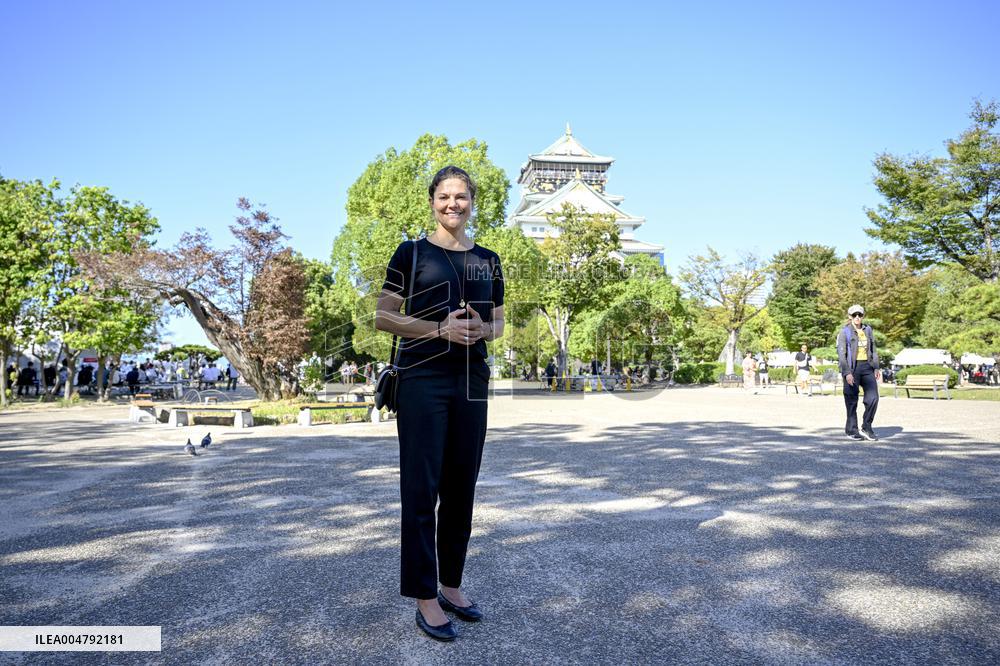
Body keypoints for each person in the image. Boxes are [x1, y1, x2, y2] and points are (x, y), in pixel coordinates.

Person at [375, 165, 504, 642]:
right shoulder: (410, 253)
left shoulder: (488, 259)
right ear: (432, 200)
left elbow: (500, 324)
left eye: (462, 196)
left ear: (472, 201)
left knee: (462, 487)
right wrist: (438, 330)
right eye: (445, 196)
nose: (453, 204)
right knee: (422, 488)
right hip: (422, 377)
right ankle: (425, 596)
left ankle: (451, 584)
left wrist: (479, 329)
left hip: (472, 379)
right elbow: (383, 318)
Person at [837, 304, 881, 441]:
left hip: (867, 367)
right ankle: (851, 430)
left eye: (860, 315)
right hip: (852, 368)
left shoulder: (868, 330)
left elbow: (873, 349)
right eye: (854, 315)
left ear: (863, 316)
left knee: (873, 398)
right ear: (850, 316)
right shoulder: (845, 332)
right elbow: (841, 354)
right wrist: (847, 373)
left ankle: (867, 427)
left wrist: (876, 367)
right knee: (851, 400)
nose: (857, 317)